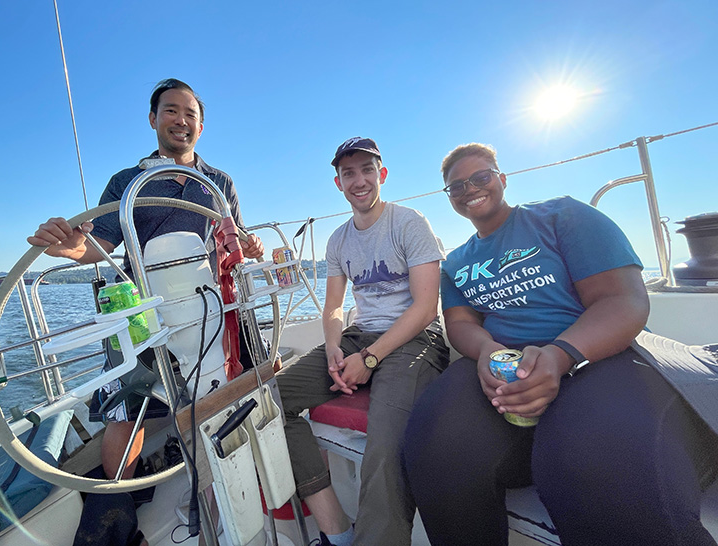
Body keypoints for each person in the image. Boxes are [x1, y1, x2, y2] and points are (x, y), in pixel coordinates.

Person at [402, 143, 718, 545]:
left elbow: (622, 299)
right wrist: (487, 351)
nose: (470, 189)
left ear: (501, 179)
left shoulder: (561, 215)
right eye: (457, 186)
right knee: (432, 445)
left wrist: (559, 354)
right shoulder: (457, 262)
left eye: (480, 177)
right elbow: (461, 321)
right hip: (507, 360)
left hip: (599, 354)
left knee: (591, 463)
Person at [27, 78, 264, 483]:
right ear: (153, 119)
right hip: (141, 314)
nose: (181, 120)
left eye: (190, 114)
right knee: (127, 411)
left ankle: (223, 479)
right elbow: (97, 244)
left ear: (201, 127)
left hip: (207, 309)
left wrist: (253, 246)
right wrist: (68, 248)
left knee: (215, 391)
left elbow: (234, 240)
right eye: (171, 111)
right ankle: (119, 501)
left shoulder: (220, 183)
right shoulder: (125, 182)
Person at [276, 137, 449, 546]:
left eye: (367, 170)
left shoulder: (409, 223)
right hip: (359, 337)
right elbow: (334, 306)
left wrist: (368, 360)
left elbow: (426, 308)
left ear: (381, 175)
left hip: (415, 339)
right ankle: (336, 530)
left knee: (386, 447)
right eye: (348, 173)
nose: (359, 180)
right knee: (270, 401)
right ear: (338, 183)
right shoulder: (338, 240)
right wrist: (335, 347)